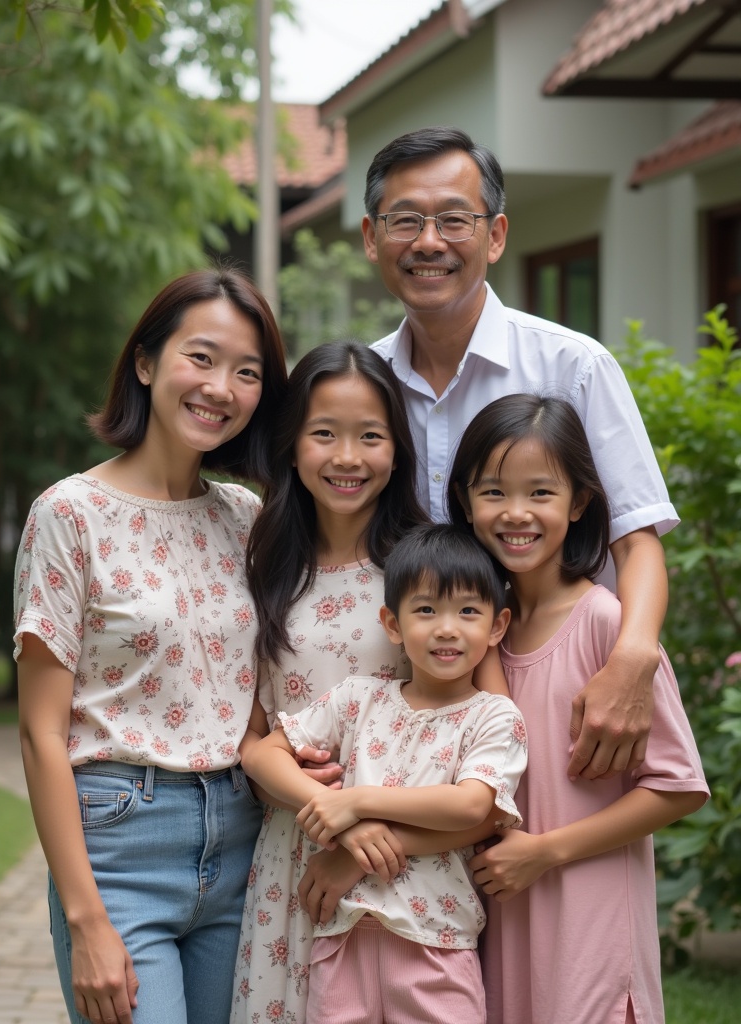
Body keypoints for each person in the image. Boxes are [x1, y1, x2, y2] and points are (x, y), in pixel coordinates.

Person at [13, 267, 288, 1024]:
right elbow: (40, 733)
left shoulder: (245, 517)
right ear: (145, 362)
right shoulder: (71, 514)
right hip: (120, 846)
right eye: (200, 358)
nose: (221, 388)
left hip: (241, 842)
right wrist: (86, 919)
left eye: (247, 372)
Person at [363, 125, 678, 783]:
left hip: (562, 698)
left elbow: (635, 536)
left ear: (496, 235)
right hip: (415, 711)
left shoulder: (573, 365)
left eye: (454, 220)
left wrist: (632, 661)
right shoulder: (364, 384)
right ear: (372, 237)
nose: (428, 242)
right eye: (404, 221)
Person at [446, 393, 709, 1024]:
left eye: (541, 492)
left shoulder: (606, 626)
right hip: (505, 923)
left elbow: (678, 788)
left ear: (580, 502)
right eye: (492, 492)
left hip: (592, 930)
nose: (516, 514)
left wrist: (547, 851)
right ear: (463, 499)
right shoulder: (479, 635)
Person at [240, 523, 528, 1024]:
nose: (446, 628)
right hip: (340, 935)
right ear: (392, 625)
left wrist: (356, 801)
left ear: (497, 626)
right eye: (425, 610)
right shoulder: (360, 698)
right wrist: (337, 812)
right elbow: (262, 756)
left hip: (436, 942)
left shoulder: (494, 716)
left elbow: (471, 805)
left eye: (467, 611)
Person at [231, 341, 432, 1023]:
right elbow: (255, 741)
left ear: (397, 450)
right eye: (324, 434)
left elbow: (475, 715)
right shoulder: (263, 567)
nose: (347, 458)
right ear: (292, 446)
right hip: (292, 855)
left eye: (370, 436)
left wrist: (361, 834)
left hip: (402, 853)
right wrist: (336, 826)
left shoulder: (425, 571)